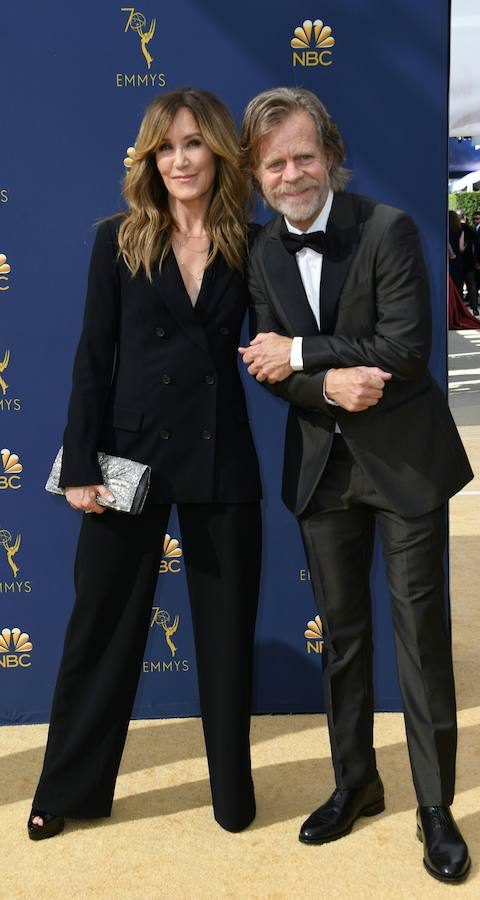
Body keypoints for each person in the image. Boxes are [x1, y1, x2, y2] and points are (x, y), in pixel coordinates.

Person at [238, 87, 473, 884]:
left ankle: (436, 807)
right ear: (257, 175)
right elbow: (267, 368)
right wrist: (324, 384)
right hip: (322, 469)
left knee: (421, 640)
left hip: (405, 464)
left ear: (330, 154)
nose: (292, 173)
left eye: (304, 155)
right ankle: (356, 784)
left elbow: (406, 346)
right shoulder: (262, 252)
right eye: (275, 163)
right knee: (343, 641)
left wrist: (306, 359)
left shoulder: (388, 228)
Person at [28, 88, 262, 840]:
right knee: (102, 629)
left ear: (219, 151)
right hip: (126, 458)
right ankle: (68, 789)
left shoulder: (253, 244)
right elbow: (94, 359)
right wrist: (81, 467)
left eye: (193, 143)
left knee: (227, 635)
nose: (179, 159)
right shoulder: (119, 239)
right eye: (164, 147)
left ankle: (232, 795)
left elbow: (281, 345)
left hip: (220, 456)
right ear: (149, 159)